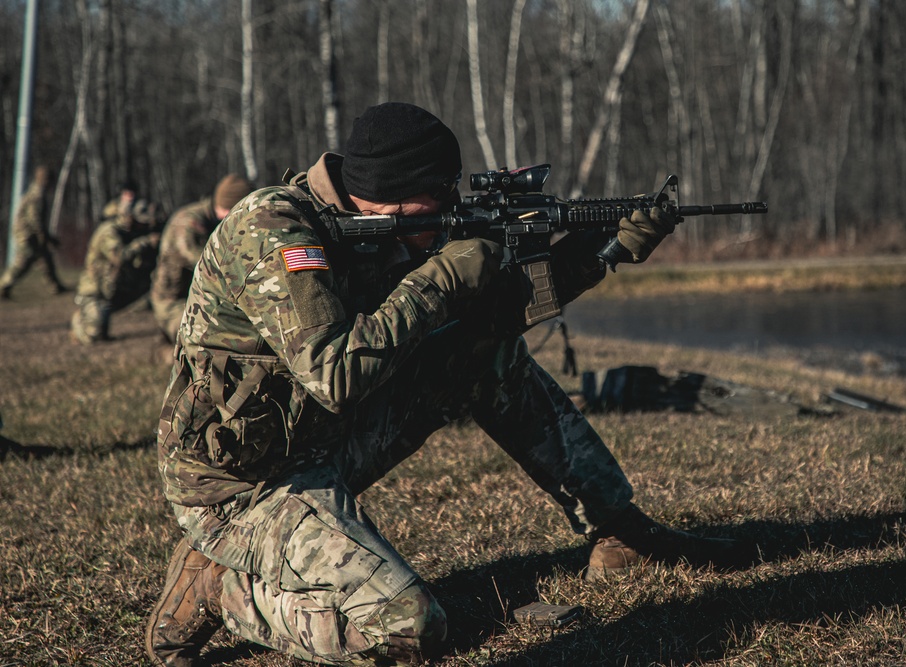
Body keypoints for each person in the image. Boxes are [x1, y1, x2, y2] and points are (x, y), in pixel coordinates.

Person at [146, 102, 747, 666]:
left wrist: (600, 250)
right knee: (410, 627)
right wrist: (440, 278)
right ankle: (228, 586)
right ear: (391, 197)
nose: (448, 208)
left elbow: (497, 315)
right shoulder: (273, 228)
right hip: (238, 483)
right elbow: (335, 374)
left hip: (319, 446)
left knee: (488, 354)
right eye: (438, 194)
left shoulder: (388, 227)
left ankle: (619, 527)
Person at [150, 174, 254, 343]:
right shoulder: (188, 223)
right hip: (174, 302)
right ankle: (164, 352)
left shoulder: (216, 220)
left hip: (204, 300)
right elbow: (208, 265)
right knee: (210, 341)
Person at [70, 184, 162, 344]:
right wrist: (145, 242)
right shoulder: (109, 231)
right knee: (94, 337)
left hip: (114, 288)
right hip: (95, 291)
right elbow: (119, 256)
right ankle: (80, 321)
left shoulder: (129, 232)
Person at [0, 166, 67, 299]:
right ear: (45, 180)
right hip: (27, 234)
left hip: (31, 233)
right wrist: (45, 236)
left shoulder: (36, 192)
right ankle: (3, 286)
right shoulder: (37, 195)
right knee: (23, 262)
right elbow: (35, 219)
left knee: (46, 258)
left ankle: (55, 286)